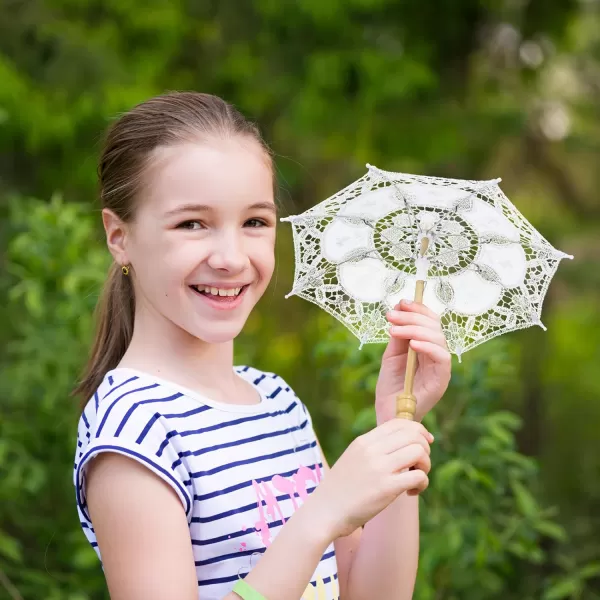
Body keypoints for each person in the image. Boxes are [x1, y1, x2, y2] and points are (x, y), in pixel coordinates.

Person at [72, 91, 451, 600]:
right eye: (192, 223)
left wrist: (397, 428)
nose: (231, 257)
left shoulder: (277, 402)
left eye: (254, 222)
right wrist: (318, 519)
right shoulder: (135, 428)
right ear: (119, 236)